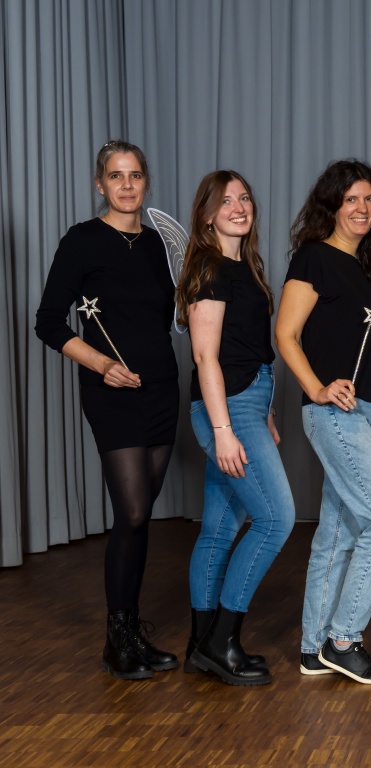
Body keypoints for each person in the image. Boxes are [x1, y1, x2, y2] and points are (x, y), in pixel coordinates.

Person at [35, 140, 179, 681]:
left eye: (135, 175)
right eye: (115, 176)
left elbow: (165, 317)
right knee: (134, 513)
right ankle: (117, 639)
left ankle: (132, 632)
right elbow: (48, 322)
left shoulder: (157, 243)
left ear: (146, 182)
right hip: (112, 393)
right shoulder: (82, 240)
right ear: (100, 184)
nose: (126, 185)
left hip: (161, 388)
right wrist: (101, 365)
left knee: (136, 520)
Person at [276, 159, 371, 685]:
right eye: (351, 199)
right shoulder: (314, 258)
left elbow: (370, 360)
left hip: (363, 415)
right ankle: (343, 639)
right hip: (334, 411)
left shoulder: (359, 271)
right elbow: (286, 335)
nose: (362, 208)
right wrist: (317, 388)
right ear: (331, 205)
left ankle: (313, 649)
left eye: (369, 200)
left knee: (338, 532)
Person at [179, 170, 294, 686]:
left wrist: (265, 411)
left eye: (244, 198)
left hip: (248, 402)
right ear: (207, 215)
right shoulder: (209, 269)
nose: (239, 207)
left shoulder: (243, 267)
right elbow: (205, 357)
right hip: (227, 409)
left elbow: (246, 348)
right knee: (275, 520)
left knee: (221, 528)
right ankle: (222, 641)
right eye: (226, 201)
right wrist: (224, 429)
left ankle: (201, 645)